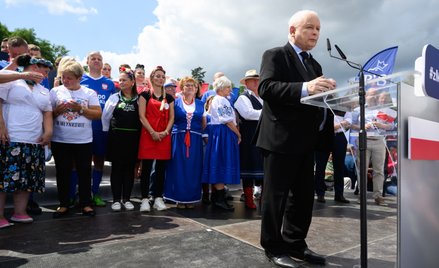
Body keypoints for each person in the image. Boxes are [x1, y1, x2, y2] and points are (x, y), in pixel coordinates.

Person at [256, 10, 337, 267]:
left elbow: (315, 100)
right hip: (279, 139)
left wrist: (328, 93)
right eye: (310, 27)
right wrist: (306, 88)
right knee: (275, 196)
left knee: (302, 197)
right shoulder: (275, 55)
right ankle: (273, 246)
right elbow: (266, 88)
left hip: (305, 141)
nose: (315, 33)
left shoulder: (315, 65)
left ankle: (296, 244)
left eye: (318, 29)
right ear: (293, 31)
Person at [0, 54, 53, 228]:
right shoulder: (12, 81)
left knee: (25, 180)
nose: (43, 75)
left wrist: (49, 132)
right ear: (31, 66)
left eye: (46, 73)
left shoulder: (43, 90)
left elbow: (47, 112)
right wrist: (1, 126)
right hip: (11, 137)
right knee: (3, 179)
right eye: (40, 69)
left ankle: (20, 212)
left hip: (33, 140)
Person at [50, 61, 101, 218]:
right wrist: (57, 111)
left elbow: (98, 114)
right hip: (60, 140)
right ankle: (64, 204)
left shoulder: (89, 93)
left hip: (83, 141)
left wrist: (80, 109)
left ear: (79, 78)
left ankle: (86, 203)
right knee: (62, 172)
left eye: (69, 78)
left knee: (84, 172)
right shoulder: (55, 91)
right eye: (63, 77)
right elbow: (47, 115)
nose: (65, 81)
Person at [78, 51, 116, 207]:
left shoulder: (110, 84)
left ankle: (95, 193)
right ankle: (78, 193)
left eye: (99, 59)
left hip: (101, 129)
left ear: (102, 63)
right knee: (80, 163)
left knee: (99, 162)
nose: (96, 61)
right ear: (87, 62)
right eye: (93, 58)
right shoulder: (80, 79)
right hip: (81, 128)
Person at [164, 76, 206, 208]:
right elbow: (169, 120)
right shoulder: (175, 103)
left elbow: (204, 123)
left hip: (195, 139)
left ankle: (191, 198)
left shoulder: (200, 104)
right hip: (178, 138)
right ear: (182, 88)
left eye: (192, 85)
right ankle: (179, 198)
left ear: (196, 89)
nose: (190, 87)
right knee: (178, 168)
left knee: (193, 168)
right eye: (187, 85)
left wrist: (195, 131)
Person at [102, 68, 141, 212]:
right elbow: (105, 117)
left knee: (129, 169)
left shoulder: (139, 98)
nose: (121, 82)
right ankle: (116, 200)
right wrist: (107, 134)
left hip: (133, 139)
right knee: (117, 169)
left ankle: (127, 199)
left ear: (132, 82)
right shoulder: (114, 98)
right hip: (117, 138)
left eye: (124, 80)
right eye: (120, 80)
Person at [138, 66, 174, 212]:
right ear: (152, 78)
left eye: (162, 77)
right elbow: (141, 116)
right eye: (157, 76)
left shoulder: (169, 97)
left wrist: (165, 132)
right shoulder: (145, 94)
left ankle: (158, 197)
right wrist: (152, 132)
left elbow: (172, 117)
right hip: (148, 135)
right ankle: (145, 199)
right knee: (146, 168)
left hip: (164, 136)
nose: (160, 79)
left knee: (160, 169)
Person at [351, 88, 395, 205]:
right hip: (364, 141)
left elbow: (391, 126)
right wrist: (362, 126)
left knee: (379, 170)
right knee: (362, 170)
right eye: (371, 95)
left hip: (379, 141)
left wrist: (380, 124)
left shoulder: (383, 109)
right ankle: (362, 195)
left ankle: (378, 196)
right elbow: (352, 125)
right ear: (365, 96)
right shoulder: (357, 110)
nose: (374, 97)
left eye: (376, 95)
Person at [202, 76, 241, 211]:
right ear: (221, 88)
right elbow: (227, 120)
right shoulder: (221, 100)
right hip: (223, 132)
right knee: (221, 162)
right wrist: (238, 133)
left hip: (220, 132)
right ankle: (219, 199)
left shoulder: (218, 100)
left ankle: (219, 198)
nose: (230, 90)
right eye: (228, 87)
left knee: (220, 162)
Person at [234, 69, 263, 209]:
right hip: (249, 137)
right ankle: (248, 200)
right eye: (253, 80)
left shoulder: (262, 98)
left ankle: (263, 198)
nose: (256, 82)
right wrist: (268, 113)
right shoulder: (242, 97)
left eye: (257, 79)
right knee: (249, 168)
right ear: (246, 83)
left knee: (263, 167)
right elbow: (248, 114)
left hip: (262, 137)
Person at [314, 112, 352, 203]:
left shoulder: (344, 108)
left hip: (339, 137)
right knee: (321, 166)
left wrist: (336, 126)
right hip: (324, 136)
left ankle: (339, 194)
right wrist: (341, 124)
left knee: (339, 167)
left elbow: (348, 122)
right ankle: (320, 194)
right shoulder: (325, 107)